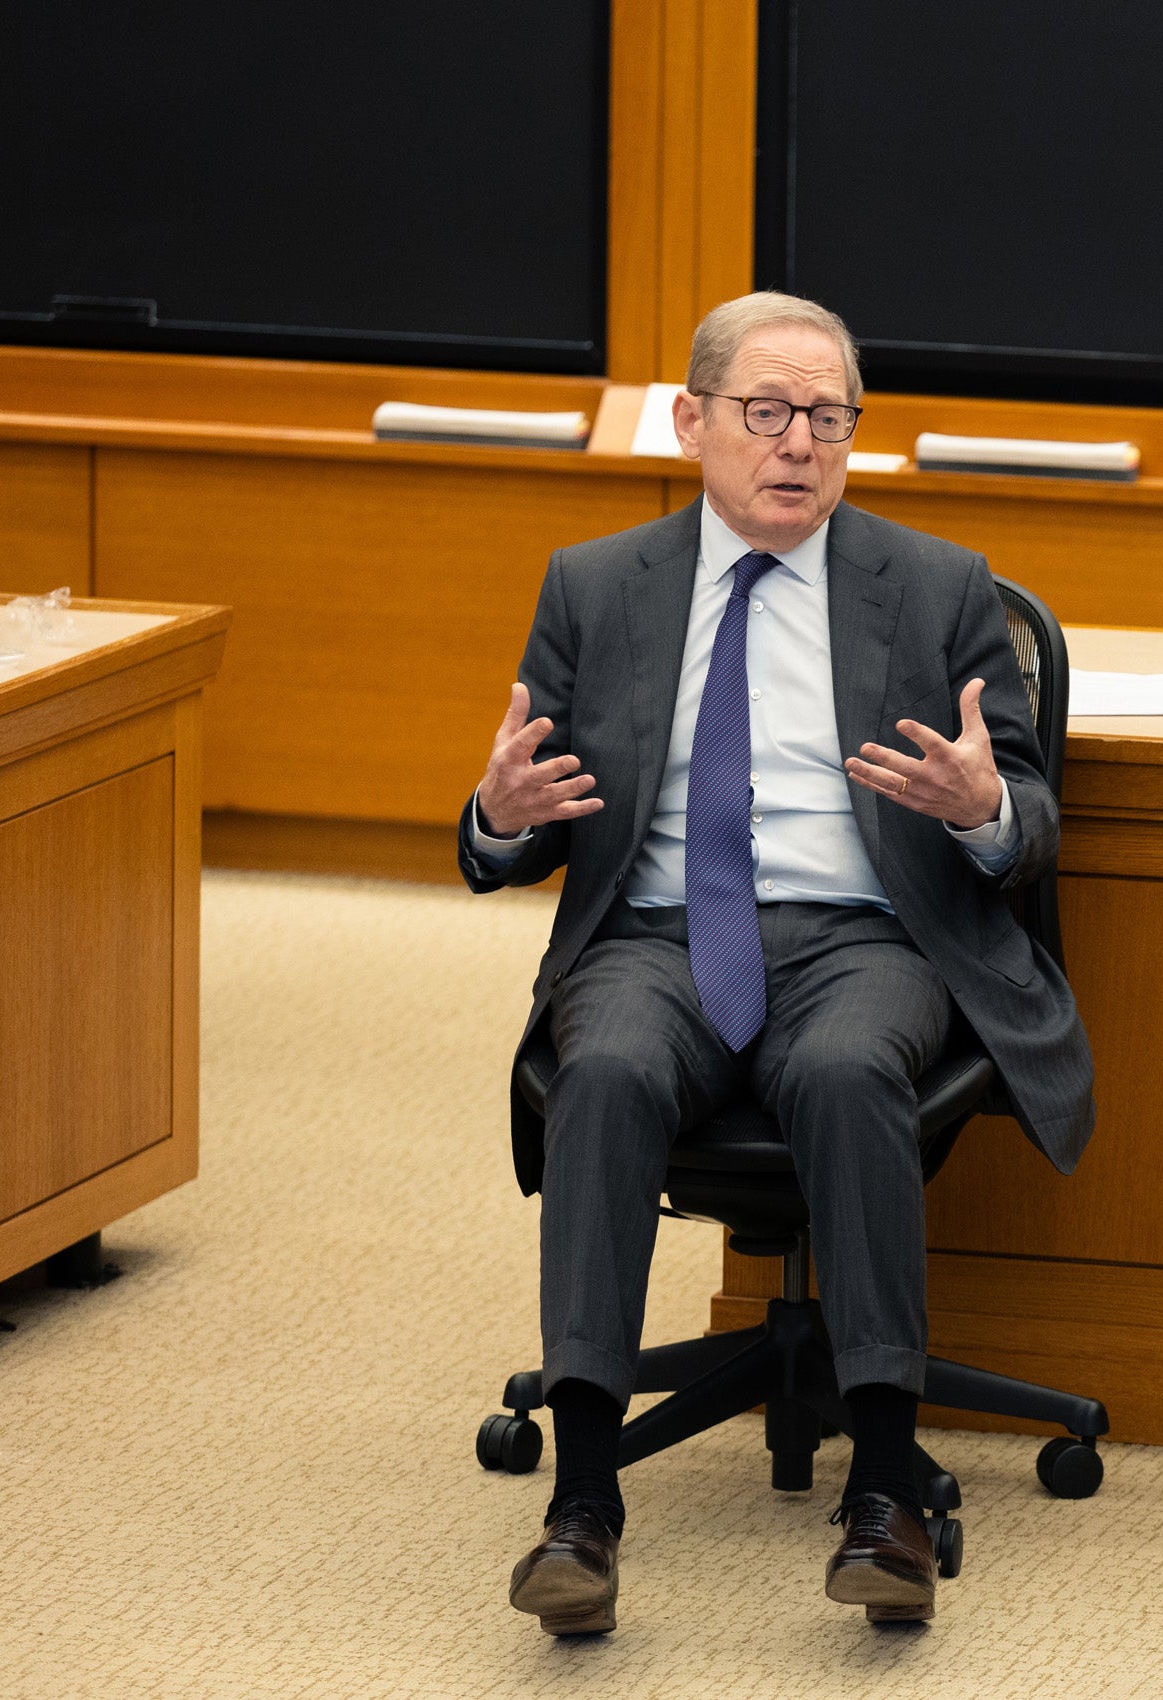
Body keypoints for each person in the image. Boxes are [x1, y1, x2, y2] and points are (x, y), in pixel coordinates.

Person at [458, 291, 1094, 1636]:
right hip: (655, 930)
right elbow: (519, 811)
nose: (798, 443)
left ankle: (882, 1492)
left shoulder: (935, 586)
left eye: (827, 417)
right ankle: (582, 1502)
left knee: (849, 1066)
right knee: (611, 1066)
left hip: (869, 934)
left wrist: (980, 808)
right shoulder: (594, 585)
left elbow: (1030, 824)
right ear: (692, 423)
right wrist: (498, 821)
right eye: (766, 413)